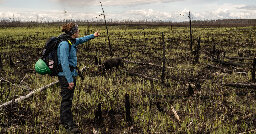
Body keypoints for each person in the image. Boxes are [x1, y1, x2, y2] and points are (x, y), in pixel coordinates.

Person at [57, 22, 99, 132]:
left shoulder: (72, 41)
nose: (78, 32)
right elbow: (64, 64)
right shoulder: (65, 44)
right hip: (66, 76)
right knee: (67, 101)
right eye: (77, 30)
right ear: (72, 32)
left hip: (70, 75)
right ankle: (69, 125)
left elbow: (81, 40)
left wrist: (93, 36)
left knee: (67, 99)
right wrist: (70, 80)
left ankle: (63, 120)